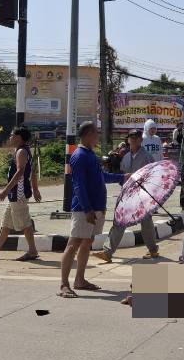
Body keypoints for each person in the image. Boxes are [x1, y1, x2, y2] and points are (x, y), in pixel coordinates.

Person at [59, 121, 126, 297]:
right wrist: (87, 209)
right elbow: (78, 185)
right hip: (84, 209)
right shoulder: (79, 156)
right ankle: (64, 284)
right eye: (96, 133)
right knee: (73, 244)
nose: (98, 136)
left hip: (96, 208)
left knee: (87, 242)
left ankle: (79, 280)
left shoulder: (90, 154)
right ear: (88, 134)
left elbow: (101, 177)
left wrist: (122, 178)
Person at [94, 129, 160, 263]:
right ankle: (107, 252)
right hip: (127, 194)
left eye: (136, 137)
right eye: (131, 137)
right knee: (119, 220)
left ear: (141, 140)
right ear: (128, 139)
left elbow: (153, 176)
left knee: (146, 223)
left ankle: (153, 249)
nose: (134, 139)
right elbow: (123, 175)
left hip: (142, 195)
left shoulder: (147, 157)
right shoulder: (126, 157)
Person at [0, 127, 42, 262]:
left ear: (18, 137)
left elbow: (20, 172)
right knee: (7, 223)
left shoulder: (21, 152)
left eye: (12, 135)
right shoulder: (22, 150)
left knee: (24, 223)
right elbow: (32, 171)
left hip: (18, 193)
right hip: (15, 193)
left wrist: (5, 190)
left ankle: (32, 251)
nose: (10, 137)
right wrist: (35, 189)